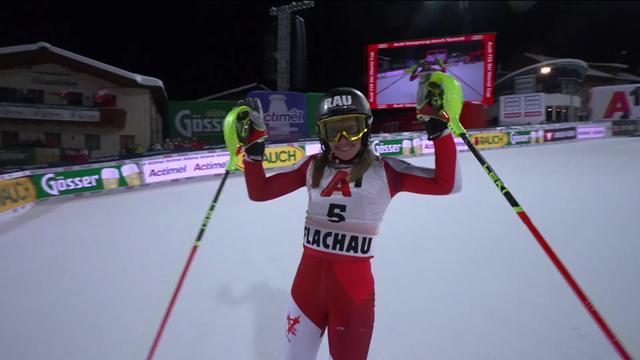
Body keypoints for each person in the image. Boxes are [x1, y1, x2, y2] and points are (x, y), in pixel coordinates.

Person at [237, 85, 461, 360]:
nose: (343, 140)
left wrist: (440, 132)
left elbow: (447, 184)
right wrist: (254, 151)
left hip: (352, 297)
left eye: (351, 128)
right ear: (322, 134)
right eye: (333, 130)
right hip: (306, 292)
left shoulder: (386, 171)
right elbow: (259, 192)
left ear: (366, 128)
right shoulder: (311, 167)